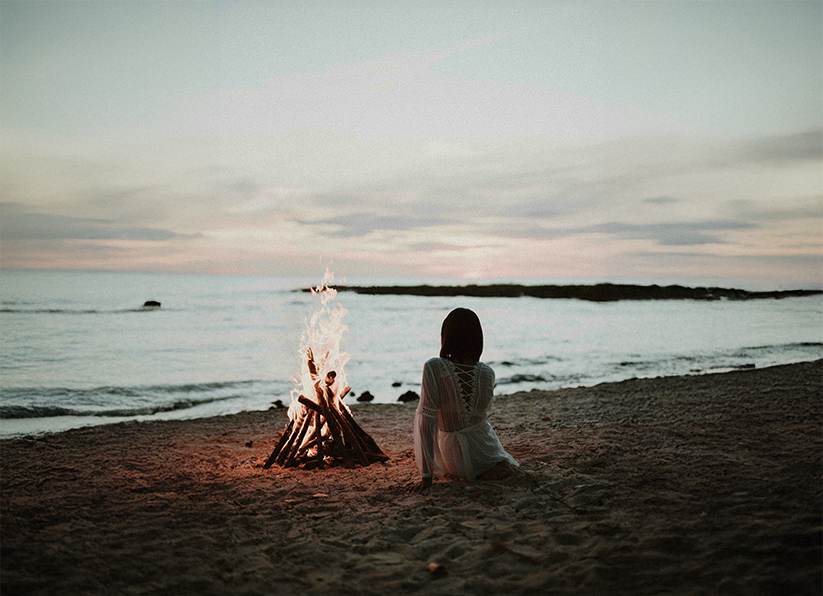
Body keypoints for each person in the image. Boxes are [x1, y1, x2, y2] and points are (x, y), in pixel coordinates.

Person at [406, 308, 518, 492]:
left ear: (447, 336)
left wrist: (427, 475)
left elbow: (426, 420)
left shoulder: (435, 366)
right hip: (486, 446)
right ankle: (493, 465)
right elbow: (481, 416)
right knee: (496, 466)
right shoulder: (487, 372)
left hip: (453, 453)